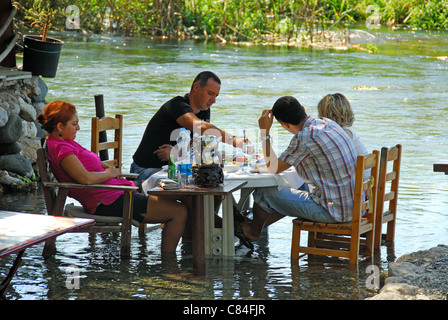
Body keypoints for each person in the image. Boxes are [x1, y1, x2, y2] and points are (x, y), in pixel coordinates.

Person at [37, 100, 187, 253]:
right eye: (74, 124)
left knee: (181, 202)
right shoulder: (62, 148)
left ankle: (186, 252)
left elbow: (89, 163)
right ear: (60, 126)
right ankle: (169, 265)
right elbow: (85, 179)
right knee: (178, 211)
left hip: (113, 194)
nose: (78, 128)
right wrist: (109, 173)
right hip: (108, 202)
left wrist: (111, 170)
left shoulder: (65, 142)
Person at [234, 96, 358, 248]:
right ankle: (250, 224)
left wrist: (264, 132)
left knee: (265, 192)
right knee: (298, 186)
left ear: (285, 124)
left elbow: (273, 168)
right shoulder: (328, 123)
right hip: (353, 206)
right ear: (303, 109)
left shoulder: (304, 137)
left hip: (333, 211)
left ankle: (253, 230)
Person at [131, 71, 250, 183]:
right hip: (145, 170)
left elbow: (198, 143)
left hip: (173, 167)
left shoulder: (204, 110)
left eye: (216, 96)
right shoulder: (177, 105)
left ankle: (223, 206)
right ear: (196, 87)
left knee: (214, 180)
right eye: (210, 94)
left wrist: (176, 153)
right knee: (197, 183)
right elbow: (201, 127)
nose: (213, 100)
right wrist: (234, 140)